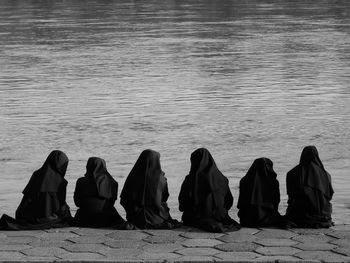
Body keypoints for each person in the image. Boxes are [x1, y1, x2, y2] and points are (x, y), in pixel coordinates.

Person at [0, 150, 72, 230]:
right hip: (48, 218)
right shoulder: (60, 181)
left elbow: (27, 198)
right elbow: (60, 205)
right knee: (66, 215)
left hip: (28, 216)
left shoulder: (36, 174)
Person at [178, 148, 240, 233]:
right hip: (220, 216)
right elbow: (229, 202)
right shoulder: (222, 179)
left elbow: (183, 204)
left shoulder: (191, 179)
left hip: (196, 217)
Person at [120, 149, 178, 229]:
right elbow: (164, 197)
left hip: (135, 218)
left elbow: (124, 198)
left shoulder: (132, 176)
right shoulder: (161, 179)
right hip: (157, 218)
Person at [285, 145, 334, 228]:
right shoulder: (326, 175)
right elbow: (329, 196)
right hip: (322, 215)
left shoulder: (292, 173)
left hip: (300, 215)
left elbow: (291, 196)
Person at [74, 157, 125, 228]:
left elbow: (77, 203)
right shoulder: (112, 183)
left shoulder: (81, 181)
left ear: (88, 167)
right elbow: (111, 203)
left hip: (84, 219)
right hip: (106, 219)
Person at [237, 157, 285, 227]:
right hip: (267, 219)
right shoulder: (273, 182)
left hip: (247, 220)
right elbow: (276, 202)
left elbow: (241, 203)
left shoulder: (244, 181)